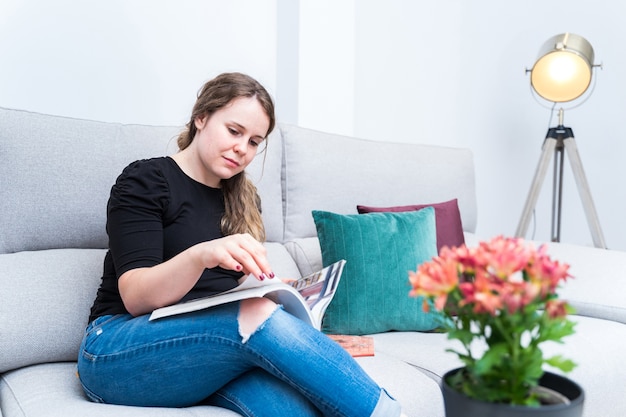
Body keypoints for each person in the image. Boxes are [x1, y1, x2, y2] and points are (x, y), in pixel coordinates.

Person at [77, 72, 405, 417]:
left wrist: (282, 293)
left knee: (293, 409)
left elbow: (231, 292)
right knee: (256, 315)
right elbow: (136, 297)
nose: (242, 149)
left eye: (254, 142)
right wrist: (201, 256)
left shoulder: (243, 199)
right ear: (201, 117)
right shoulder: (147, 180)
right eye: (234, 131)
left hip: (210, 352)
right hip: (116, 349)